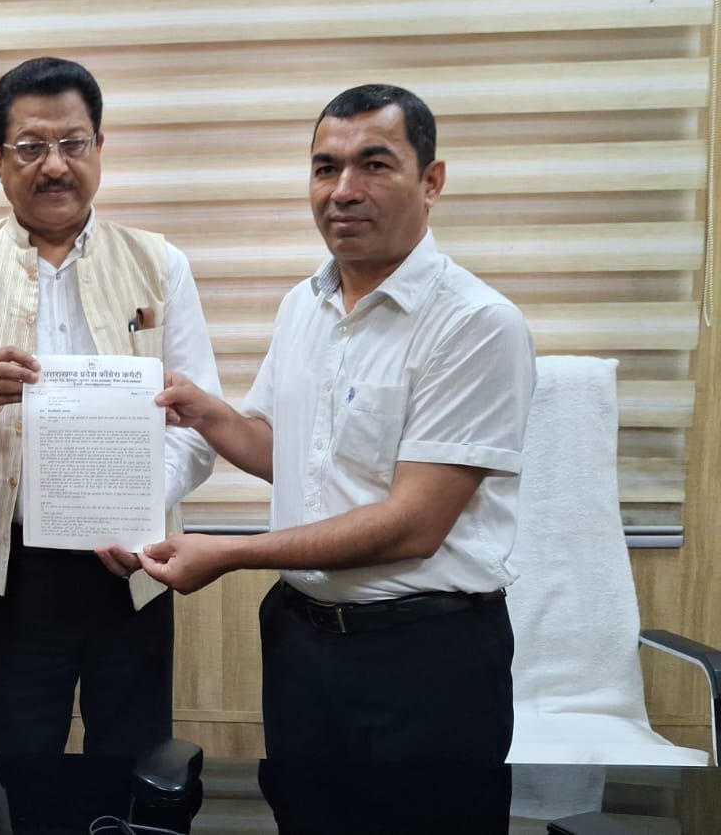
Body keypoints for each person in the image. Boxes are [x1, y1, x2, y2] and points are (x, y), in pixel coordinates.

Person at [141, 84, 535, 832]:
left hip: (426, 656)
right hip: (302, 644)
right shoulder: (305, 305)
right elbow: (290, 456)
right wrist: (208, 412)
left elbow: (414, 524)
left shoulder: (477, 324)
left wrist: (229, 553)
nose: (343, 190)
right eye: (325, 168)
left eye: (374, 165)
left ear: (431, 181)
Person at [0, 56, 223, 832]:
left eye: (73, 143)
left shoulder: (160, 264)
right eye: (30, 147)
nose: (54, 165)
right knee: (17, 778)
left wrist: (140, 509)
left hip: (132, 570)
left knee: (137, 778)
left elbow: (199, 426)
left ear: (100, 148)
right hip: (9, 574)